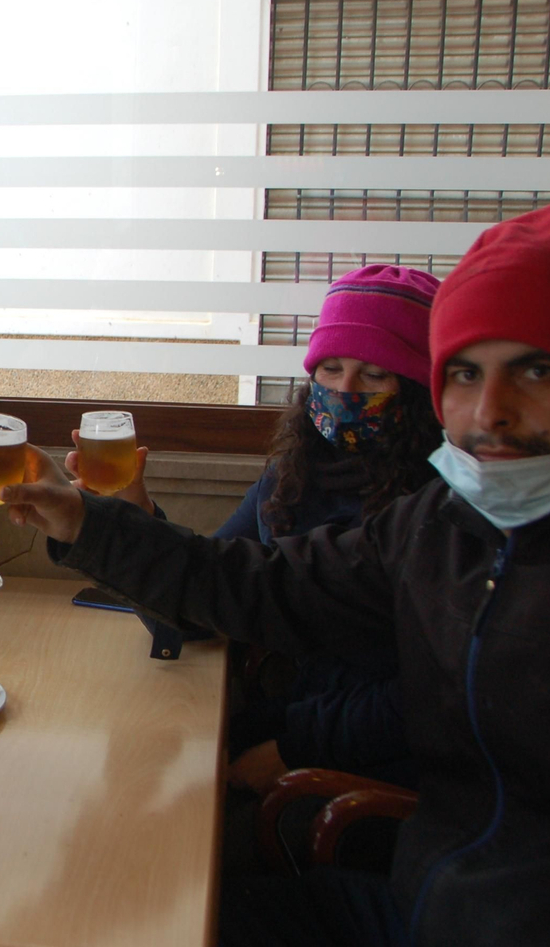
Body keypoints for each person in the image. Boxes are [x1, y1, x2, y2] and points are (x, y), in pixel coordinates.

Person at [5, 199, 550, 946]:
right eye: (465, 372)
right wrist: (86, 520)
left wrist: (297, 746)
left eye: (537, 371)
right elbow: (253, 584)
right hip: (424, 902)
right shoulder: (440, 524)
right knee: (123, 915)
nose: (491, 411)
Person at [138, 265, 441, 793]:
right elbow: (202, 604)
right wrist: (133, 514)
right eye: (330, 368)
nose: (345, 390)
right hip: (304, 718)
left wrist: (290, 750)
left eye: (374, 375)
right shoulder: (291, 478)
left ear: (418, 391)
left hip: (385, 762)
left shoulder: (439, 505)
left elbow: (430, 697)